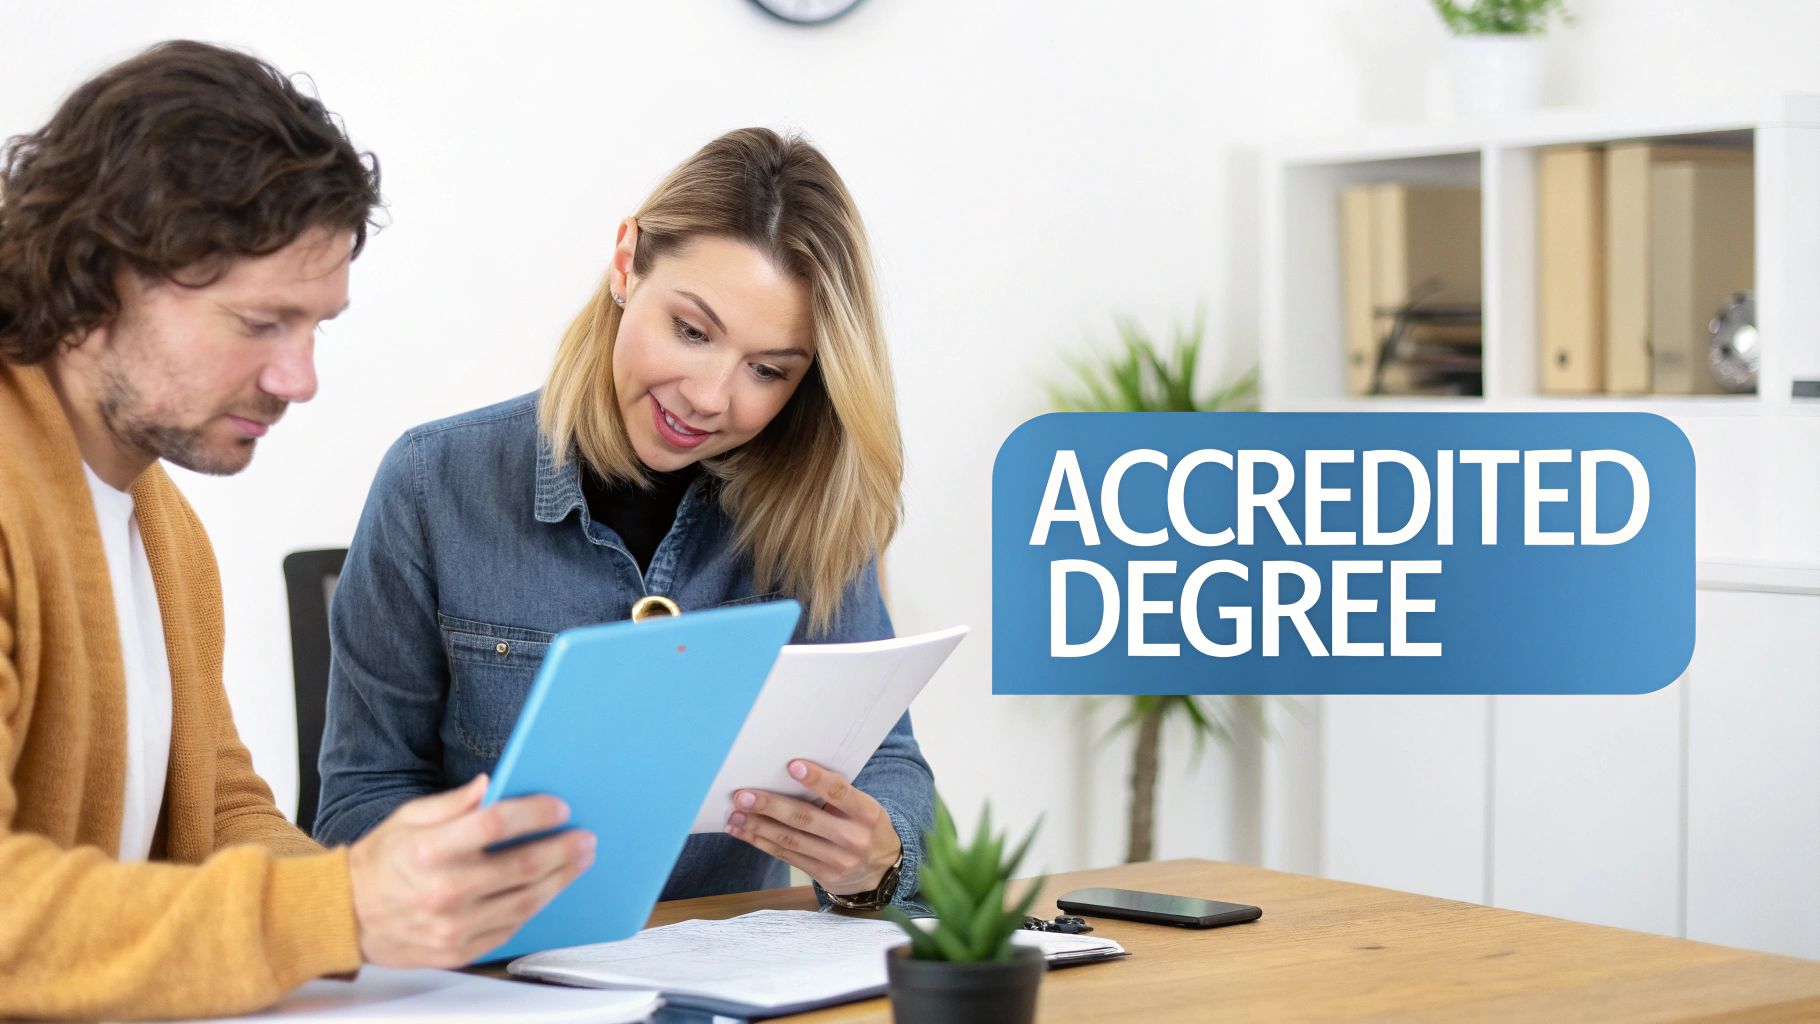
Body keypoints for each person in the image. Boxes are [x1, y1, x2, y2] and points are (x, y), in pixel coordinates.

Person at [0, 41, 593, 1020]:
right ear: (103, 275)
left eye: (316, 326)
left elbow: (220, 809)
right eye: (260, 322)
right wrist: (338, 907)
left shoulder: (164, 531)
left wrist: (397, 897)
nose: (299, 379)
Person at [316, 127, 934, 911]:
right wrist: (463, 887)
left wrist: (876, 856)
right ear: (625, 263)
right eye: (691, 330)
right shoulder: (433, 483)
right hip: (502, 983)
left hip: (732, 984)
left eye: (767, 370)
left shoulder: (810, 507)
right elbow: (359, 800)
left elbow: (893, 768)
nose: (710, 397)